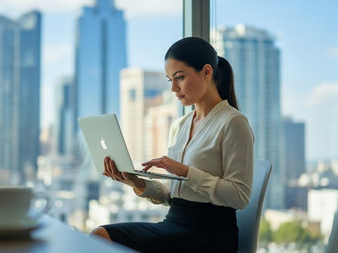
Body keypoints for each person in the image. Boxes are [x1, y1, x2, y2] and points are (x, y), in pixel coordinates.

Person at [90, 37, 254, 253]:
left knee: (101, 238)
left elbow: (240, 196)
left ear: (206, 72)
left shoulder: (233, 122)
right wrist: (135, 182)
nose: (174, 89)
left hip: (211, 235)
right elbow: (172, 195)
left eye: (180, 78)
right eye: (170, 80)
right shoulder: (180, 125)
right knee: (99, 235)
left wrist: (186, 172)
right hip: (174, 224)